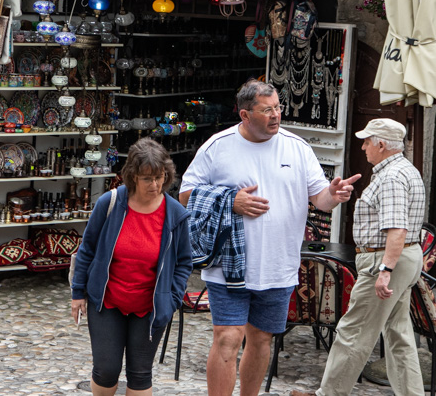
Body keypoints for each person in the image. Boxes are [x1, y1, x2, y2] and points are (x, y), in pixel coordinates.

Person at [178, 80, 360, 396]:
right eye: (267, 110)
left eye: (277, 107)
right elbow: (184, 196)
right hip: (230, 266)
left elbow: (320, 199)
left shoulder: (297, 147)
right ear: (245, 115)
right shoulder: (217, 146)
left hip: (279, 265)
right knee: (227, 337)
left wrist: (333, 194)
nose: (276, 115)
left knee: (261, 339)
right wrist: (230, 200)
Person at [291, 118, 425, 396]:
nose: (363, 146)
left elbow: (397, 229)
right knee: (398, 335)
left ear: (381, 144)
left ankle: (328, 394)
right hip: (402, 259)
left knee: (353, 332)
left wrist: (385, 270)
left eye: (367, 141)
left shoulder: (391, 177)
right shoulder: (403, 170)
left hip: (385, 261)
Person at [70, 138, 192, 396]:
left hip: (150, 306)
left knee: (139, 373)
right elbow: (87, 249)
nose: (155, 184)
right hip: (107, 301)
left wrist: (171, 299)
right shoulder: (110, 203)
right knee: (106, 370)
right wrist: (78, 293)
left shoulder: (175, 214)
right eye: (147, 178)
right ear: (133, 176)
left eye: (160, 177)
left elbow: (184, 262)